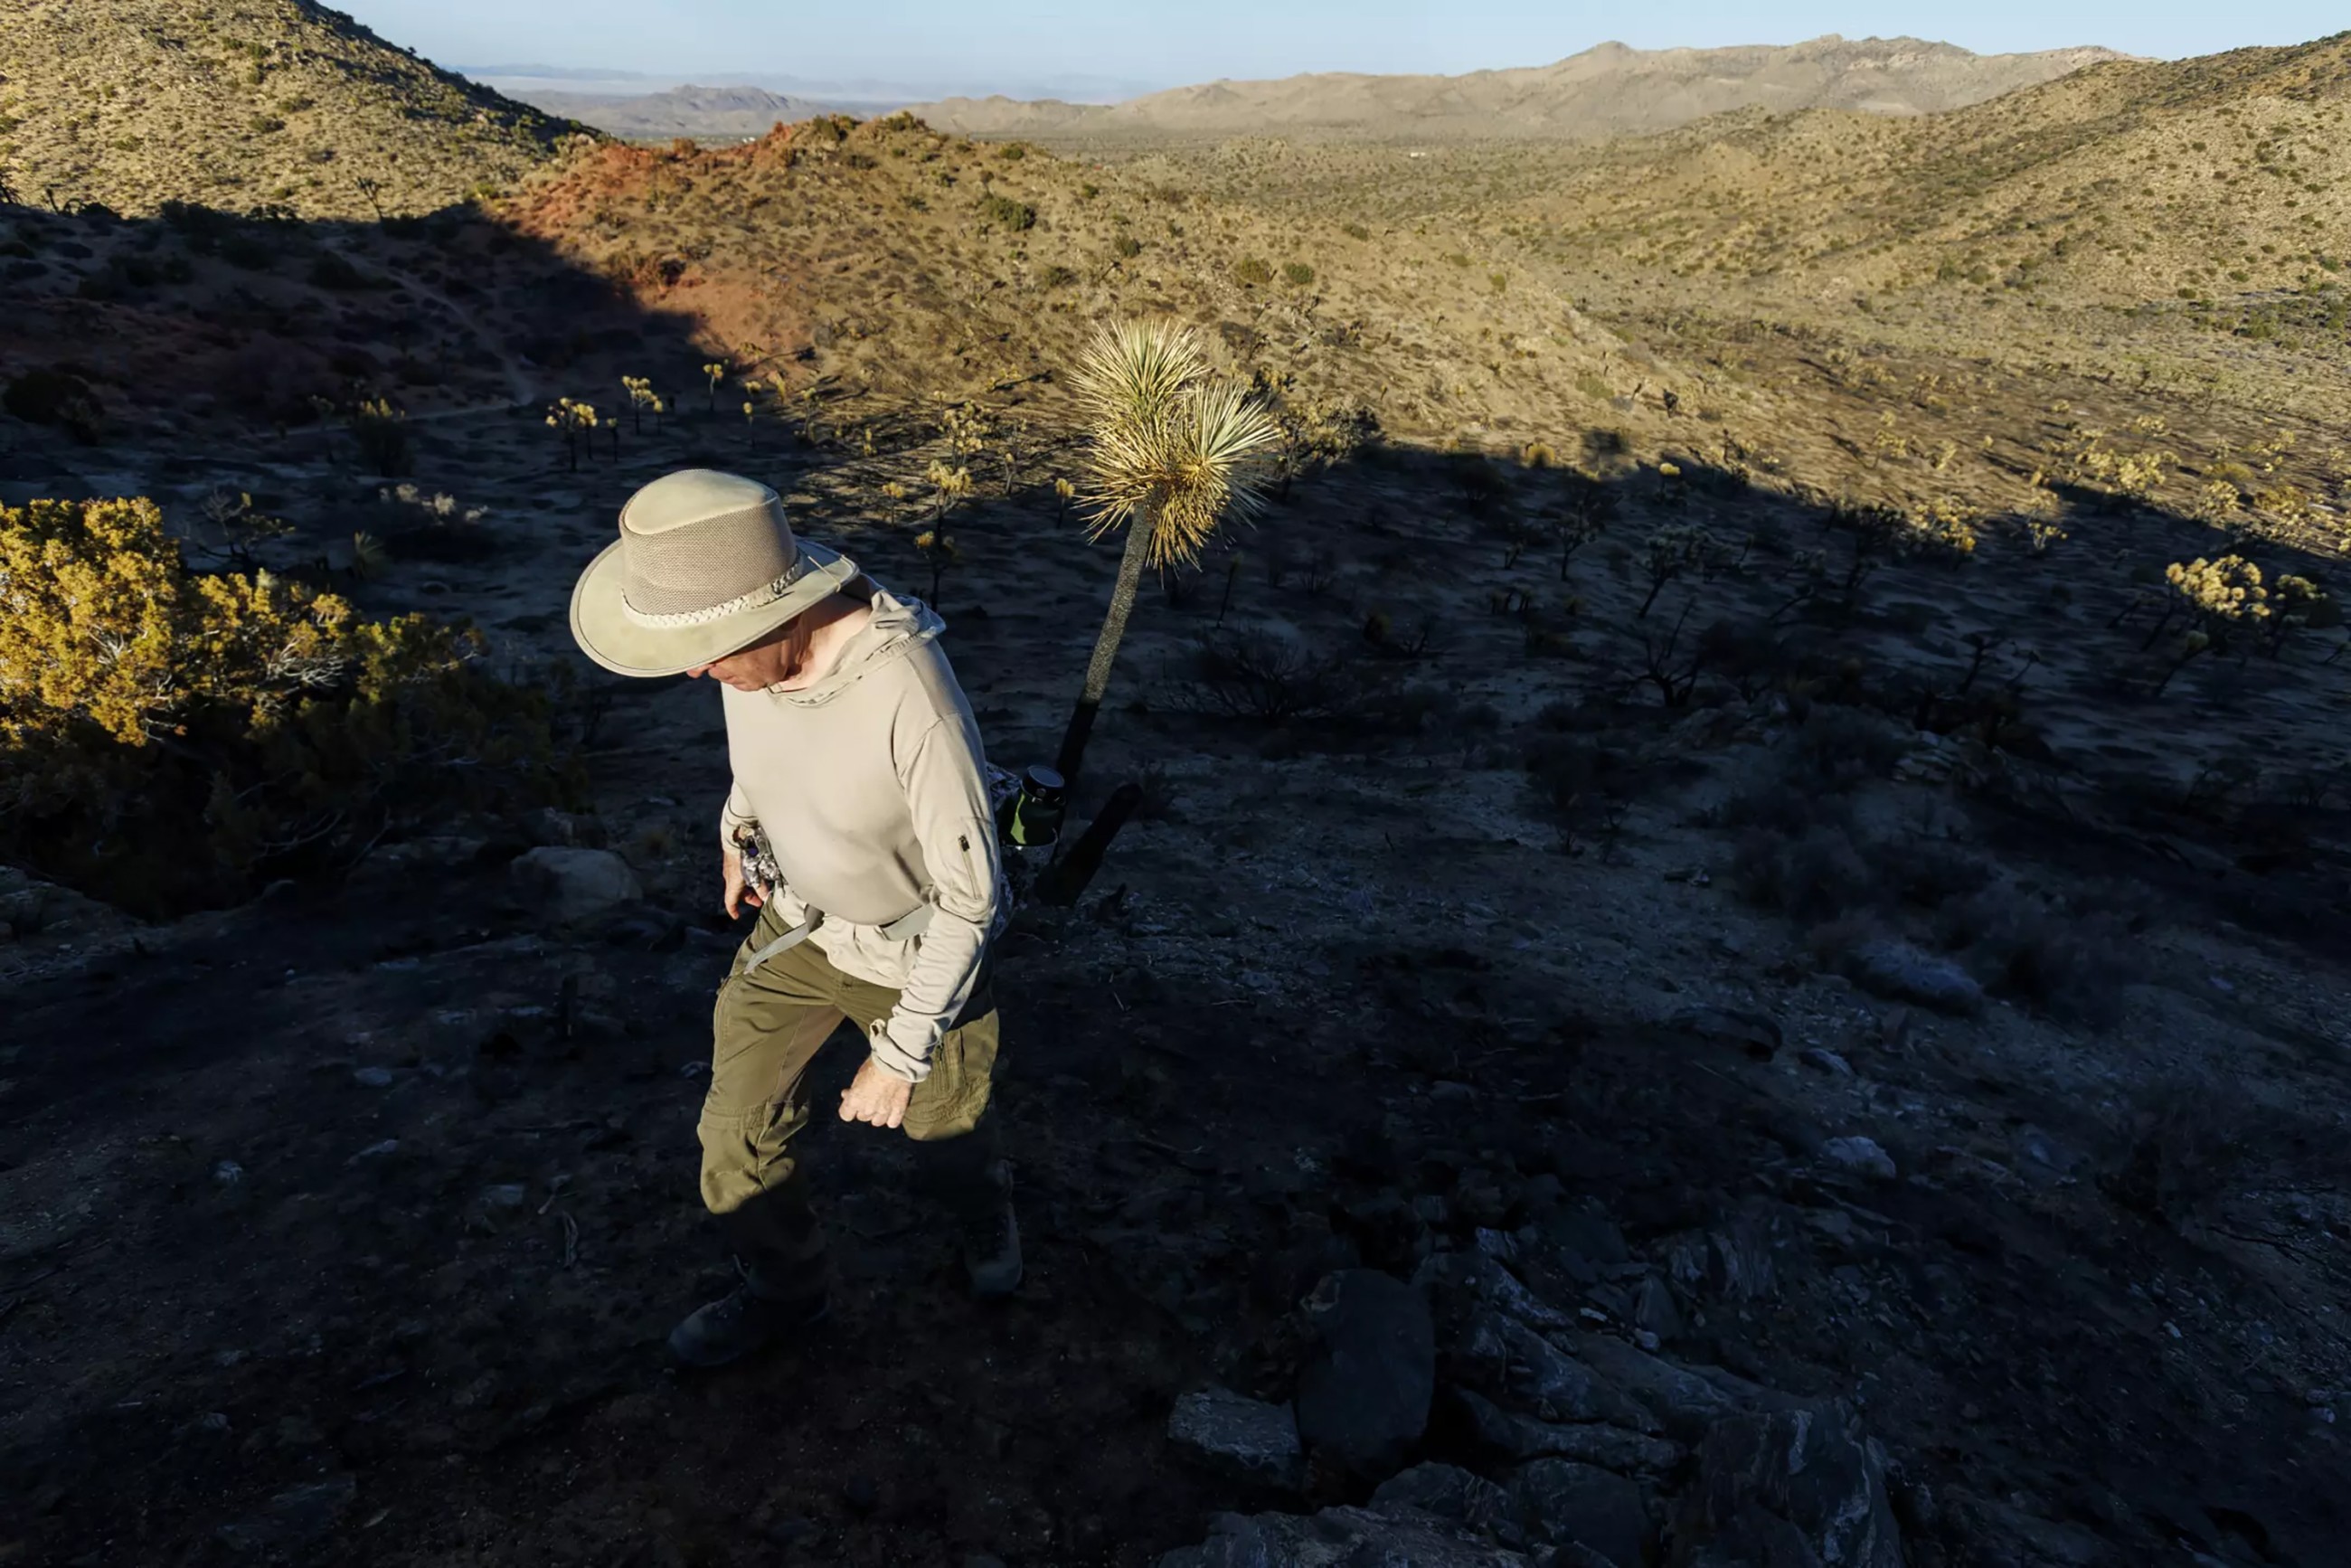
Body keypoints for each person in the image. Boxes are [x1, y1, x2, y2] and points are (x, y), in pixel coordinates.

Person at [569, 468, 1017, 1368]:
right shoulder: (747, 647)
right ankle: (786, 1292)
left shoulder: (910, 699)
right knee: (731, 1135)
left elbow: (976, 899)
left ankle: (984, 1221)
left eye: (713, 647)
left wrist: (895, 1059)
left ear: (788, 613)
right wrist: (738, 826)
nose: (699, 668)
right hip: (800, 930)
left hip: (914, 951)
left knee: (943, 1135)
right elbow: (765, 750)